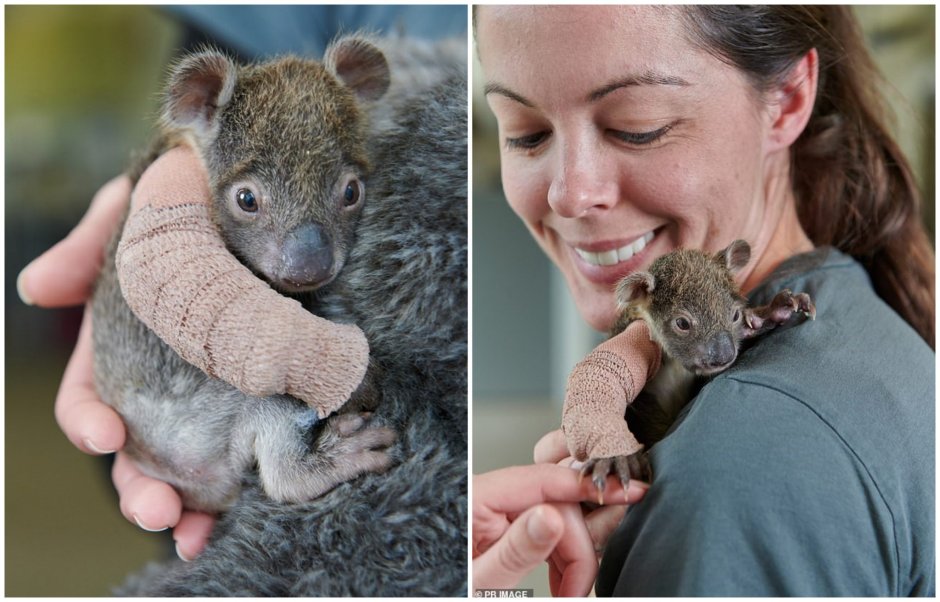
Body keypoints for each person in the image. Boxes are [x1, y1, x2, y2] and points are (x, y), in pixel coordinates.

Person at [474, 5, 934, 596]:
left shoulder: (741, 462)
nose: (571, 195)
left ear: (788, 99)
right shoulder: (864, 326)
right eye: (525, 133)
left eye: (638, 126)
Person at [17, 4, 466, 564]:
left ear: (363, 83)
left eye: (347, 195)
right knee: (267, 382)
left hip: (188, 438)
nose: (309, 259)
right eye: (249, 202)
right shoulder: (196, 167)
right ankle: (293, 465)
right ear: (198, 105)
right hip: (178, 415)